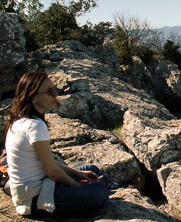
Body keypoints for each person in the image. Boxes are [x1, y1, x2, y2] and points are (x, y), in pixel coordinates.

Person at [4, 72, 110, 216]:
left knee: (91, 170)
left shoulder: (19, 121)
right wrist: (77, 185)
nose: (55, 95)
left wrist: (79, 173)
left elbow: (48, 163)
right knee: (100, 193)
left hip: (35, 187)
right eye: (49, 91)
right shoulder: (35, 126)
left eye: (54, 89)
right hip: (35, 197)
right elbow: (52, 172)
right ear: (33, 96)